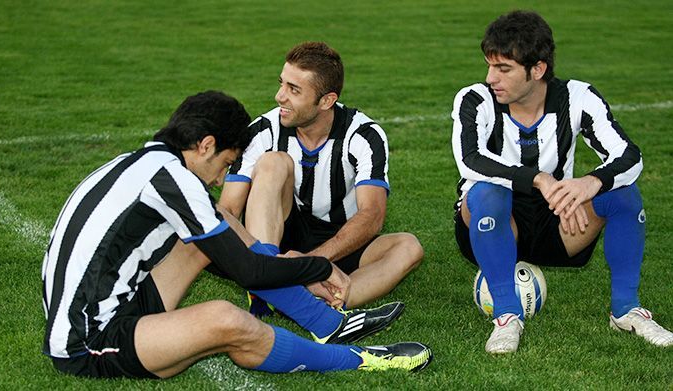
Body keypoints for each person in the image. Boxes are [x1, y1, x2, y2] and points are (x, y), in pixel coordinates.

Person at [41, 90, 432, 379]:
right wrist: (316, 268)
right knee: (227, 320)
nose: (223, 176)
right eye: (227, 163)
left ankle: (329, 324)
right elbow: (250, 272)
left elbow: (236, 250)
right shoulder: (174, 179)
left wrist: (303, 268)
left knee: (220, 224)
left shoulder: (146, 161)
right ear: (206, 145)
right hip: (88, 339)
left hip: (116, 301)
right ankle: (361, 358)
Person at [451, 10, 673, 354]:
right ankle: (507, 317)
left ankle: (626, 310)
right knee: (488, 192)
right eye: (490, 65)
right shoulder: (475, 99)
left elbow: (630, 156)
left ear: (537, 70)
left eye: (503, 68)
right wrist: (538, 178)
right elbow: (470, 159)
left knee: (624, 196)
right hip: (490, 221)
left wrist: (592, 182)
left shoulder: (578, 98)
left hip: (556, 221)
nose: (491, 77)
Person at [219, 42, 424, 316]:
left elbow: (372, 215)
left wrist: (310, 263)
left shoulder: (364, 135)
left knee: (408, 247)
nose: (279, 96)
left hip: (341, 237)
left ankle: (313, 304)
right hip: (280, 232)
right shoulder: (263, 130)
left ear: (327, 100)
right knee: (273, 162)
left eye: (294, 90)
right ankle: (267, 281)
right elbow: (229, 209)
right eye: (282, 84)